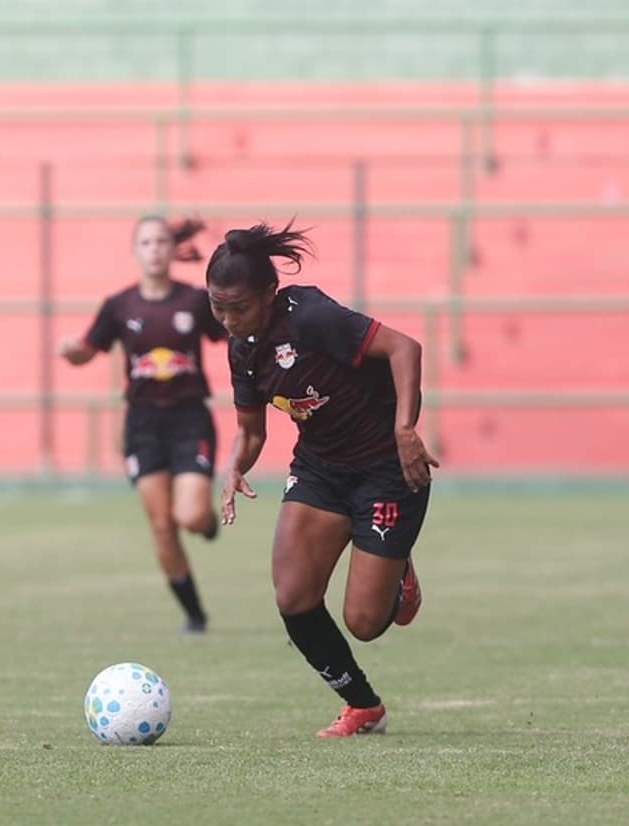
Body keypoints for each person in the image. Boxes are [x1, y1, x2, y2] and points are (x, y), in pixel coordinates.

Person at [208, 223, 437, 738]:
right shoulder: (243, 347)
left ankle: (397, 568)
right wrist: (235, 465)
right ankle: (363, 706)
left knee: (366, 623)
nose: (226, 320)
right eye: (217, 307)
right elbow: (251, 430)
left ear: (269, 293)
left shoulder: (311, 317)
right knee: (293, 597)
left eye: (237, 307)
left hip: (386, 470)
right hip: (321, 471)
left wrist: (405, 430)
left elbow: (406, 349)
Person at [59, 216, 227, 633]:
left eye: (161, 242)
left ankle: (206, 525)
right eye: (146, 242)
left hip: (190, 419)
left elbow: (232, 333)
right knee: (161, 523)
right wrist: (71, 352)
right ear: (136, 251)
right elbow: (88, 349)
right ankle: (194, 613)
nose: (154, 249)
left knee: (189, 515)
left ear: (173, 250)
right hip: (144, 425)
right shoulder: (120, 306)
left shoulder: (194, 301)